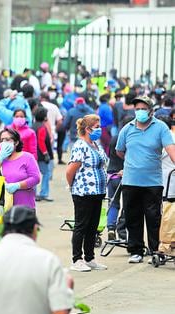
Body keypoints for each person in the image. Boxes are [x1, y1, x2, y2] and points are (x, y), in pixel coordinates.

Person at [116, 96, 175, 263]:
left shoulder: (161, 127)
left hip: (153, 182)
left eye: (143, 108)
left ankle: (155, 250)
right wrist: (134, 161)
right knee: (132, 217)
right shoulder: (127, 129)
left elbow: (171, 149)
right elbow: (120, 151)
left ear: (150, 110)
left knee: (153, 217)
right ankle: (136, 250)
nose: (140, 111)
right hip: (130, 181)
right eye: (137, 108)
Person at [66, 114, 108, 272]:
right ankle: (77, 259)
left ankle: (90, 258)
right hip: (83, 192)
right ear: (88, 129)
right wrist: (73, 186)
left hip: (98, 192)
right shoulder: (80, 146)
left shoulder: (96, 144)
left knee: (93, 226)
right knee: (81, 226)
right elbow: (70, 170)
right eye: (97, 127)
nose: (99, 130)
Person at [0, 128, 40, 208]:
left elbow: (35, 178)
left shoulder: (27, 157)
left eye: (7, 140)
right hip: (1, 207)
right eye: (1, 140)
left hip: (24, 205)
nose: (3, 143)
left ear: (16, 142)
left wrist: (17, 185)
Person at [33, 107, 54, 202]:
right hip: (41, 155)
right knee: (46, 173)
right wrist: (46, 154)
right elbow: (41, 142)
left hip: (33, 154)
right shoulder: (42, 127)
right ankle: (44, 193)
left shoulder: (33, 125)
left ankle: (34, 194)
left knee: (34, 174)